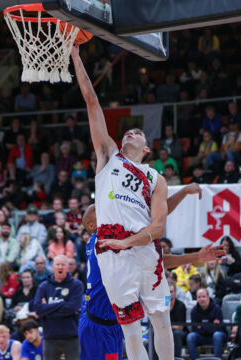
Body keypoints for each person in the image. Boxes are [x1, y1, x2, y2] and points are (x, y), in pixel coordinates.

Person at [72, 44, 174, 360]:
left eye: (138, 133)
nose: (132, 132)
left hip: (141, 249)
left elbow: (158, 226)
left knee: (160, 321)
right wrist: (76, 56)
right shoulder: (108, 156)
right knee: (129, 328)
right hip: (112, 254)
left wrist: (129, 241)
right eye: (129, 131)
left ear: (146, 149)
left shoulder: (156, 178)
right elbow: (91, 101)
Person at [78, 190, 224, 360]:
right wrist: (196, 256)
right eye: (99, 210)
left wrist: (197, 257)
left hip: (111, 323)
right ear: (91, 225)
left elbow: (155, 252)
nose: (106, 209)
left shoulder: (110, 239)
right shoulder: (104, 240)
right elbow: (156, 220)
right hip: (97, 326)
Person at [29, 255, 83, 360]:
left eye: (63, 264)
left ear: (68, 267)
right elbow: (38, 308)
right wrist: (63, 304)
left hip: (71, 336)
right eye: (57, 264)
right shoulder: (44, 286)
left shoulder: (77, 285)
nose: (60, 267)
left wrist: (47, 308)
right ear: (53, 267)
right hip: (50, 336)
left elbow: (73, 308)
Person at [187, 288, 225, 360]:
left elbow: (219, 327)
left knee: (217, 335)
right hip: (201, 336)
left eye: (203, 296)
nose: (201, 299)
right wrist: (211, 325)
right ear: (196, 298)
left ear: (208, 297)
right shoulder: (194, 311)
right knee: (190, 336)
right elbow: (194, 328)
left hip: (216, 336)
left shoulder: (217, 308)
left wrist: (201, 326)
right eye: (199, 297)